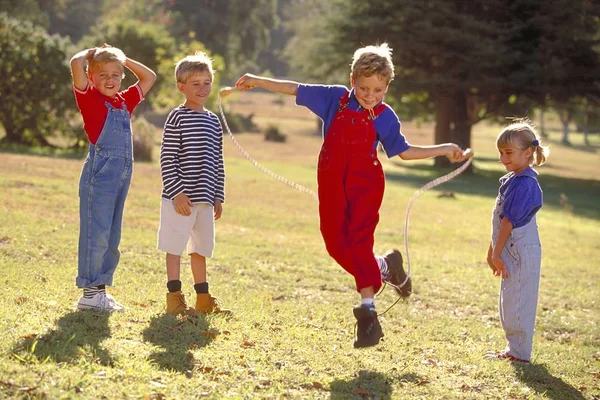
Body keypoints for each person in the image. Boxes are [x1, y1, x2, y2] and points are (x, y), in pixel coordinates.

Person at [235, 43, 470, 348]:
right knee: (334, 243)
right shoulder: (335, 99)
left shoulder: (385, 117)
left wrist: (444, 149)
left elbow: (404, 151)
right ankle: (386, 267)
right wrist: (258, 80)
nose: (370, 95)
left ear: (386, 87)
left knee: (359, 242)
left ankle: (368, 314)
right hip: (331, 180)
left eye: (377, 90)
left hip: (365, 185)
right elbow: (295, 88)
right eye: (363, 88)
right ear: (352, 81)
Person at [70, 45, 156, 311]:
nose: (110, 80)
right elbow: (75, 63)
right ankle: (89, 292)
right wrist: (93, 53)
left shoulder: (123, 101)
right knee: (96, 234)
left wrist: (123, 58)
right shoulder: (89, 98)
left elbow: (150, 77)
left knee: (111, 235)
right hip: (100, 174)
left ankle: (99, 291)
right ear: (92, 78)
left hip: (121, 176)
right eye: (103, 75)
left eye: (116, 75)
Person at [158, 51, 230, 315]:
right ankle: (174, 298)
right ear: (181, 87)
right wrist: (176, 192)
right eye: (196, 83)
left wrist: (218, 196)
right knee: (174, 246)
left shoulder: (213, 121)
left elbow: (218, 162)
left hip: (204, 199)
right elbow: (167, 157)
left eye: (207, 82)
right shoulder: (177, 117)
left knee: (200, 249)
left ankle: (203, 300)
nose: (203, 89)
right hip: (180, 200)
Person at [485, 121, 549, 363]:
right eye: (500, 152)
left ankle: (520, 353)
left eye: (508, 152)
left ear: (528, 152)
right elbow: (500, 222)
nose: (503, 157)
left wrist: (496, 253)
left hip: (520, 249)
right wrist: (492, 251)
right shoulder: (512, 179)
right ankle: (513, 349)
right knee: (509, 300)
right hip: (509, 248)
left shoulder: (525, 184)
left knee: (520, 301)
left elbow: (508, 223)